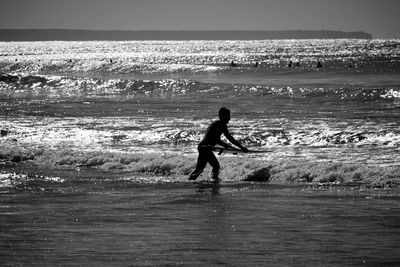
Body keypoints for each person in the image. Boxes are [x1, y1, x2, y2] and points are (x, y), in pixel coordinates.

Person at [189, 107, 248, 181]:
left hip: (203, 147)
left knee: (200, 169)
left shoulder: (217, 124)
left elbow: (217, 141)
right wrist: (241, 148)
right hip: (206, 148)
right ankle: (214, 181)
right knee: (215, 166)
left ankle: (189, 181)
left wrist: (231, 149)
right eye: (228, 116)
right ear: (223, 116)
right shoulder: (220, 124)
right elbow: (229, 138)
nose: (229, 118)